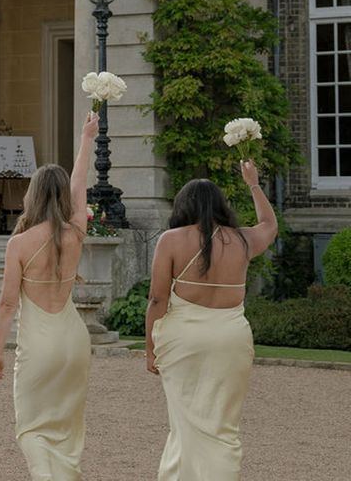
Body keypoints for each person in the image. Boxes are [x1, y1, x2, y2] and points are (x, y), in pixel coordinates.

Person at [146, 160, 277, 481]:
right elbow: (270, 225)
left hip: (183, 342)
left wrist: (150, 348)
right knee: (222, 425)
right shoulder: (242, 241)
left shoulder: (171, 240)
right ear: (221, 205)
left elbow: (157, 299)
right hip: (232, 340)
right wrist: (254, 184)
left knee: (186, 423)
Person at [0, 111, 99, 481]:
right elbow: (81, 182)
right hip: (74, 340)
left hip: (39, 345)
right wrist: (86, 140)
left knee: (32, 428)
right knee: (68, 431)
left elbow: (7, 303)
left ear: (33, 194)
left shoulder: (19, 244)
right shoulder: (76, 232)